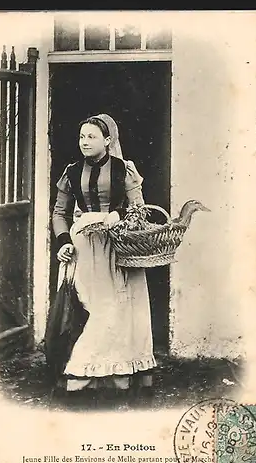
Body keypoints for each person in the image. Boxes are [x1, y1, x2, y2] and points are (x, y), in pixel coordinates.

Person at [51, 114, 156, 402]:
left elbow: (139, 210)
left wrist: (117, 217)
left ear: (108, 141)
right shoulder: (72, 172)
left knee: (120, 309)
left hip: (118, 246)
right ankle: (88, 372)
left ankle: (115, 373)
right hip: (85, 247)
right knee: (93, 308)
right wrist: (64, 242)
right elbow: (60, 213)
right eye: (82, 137)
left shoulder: (125, 170)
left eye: (92, 137)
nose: (85, 142)